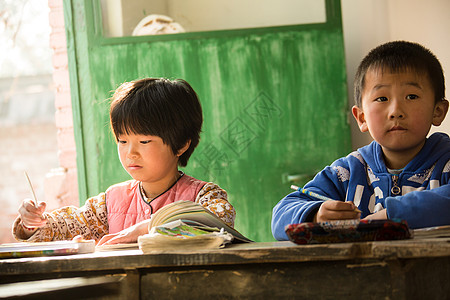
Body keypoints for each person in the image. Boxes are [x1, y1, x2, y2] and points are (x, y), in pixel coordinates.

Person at [13, 78, 236, 245]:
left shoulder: (205, 196)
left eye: (145, 141)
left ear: (181, 144)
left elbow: (217, 223)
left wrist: (148, 228)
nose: (131, 153)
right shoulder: (109, 203)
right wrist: (32, 222)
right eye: (122, 140)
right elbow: (63, 226)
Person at [271, 41, 450, 240]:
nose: (396, 112)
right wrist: (315, 214)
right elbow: (280, 215)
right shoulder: (347, 172)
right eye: (382, 99)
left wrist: (391, 214)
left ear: (438, 111)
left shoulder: (446, 162)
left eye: (411, 96)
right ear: (361, 118)